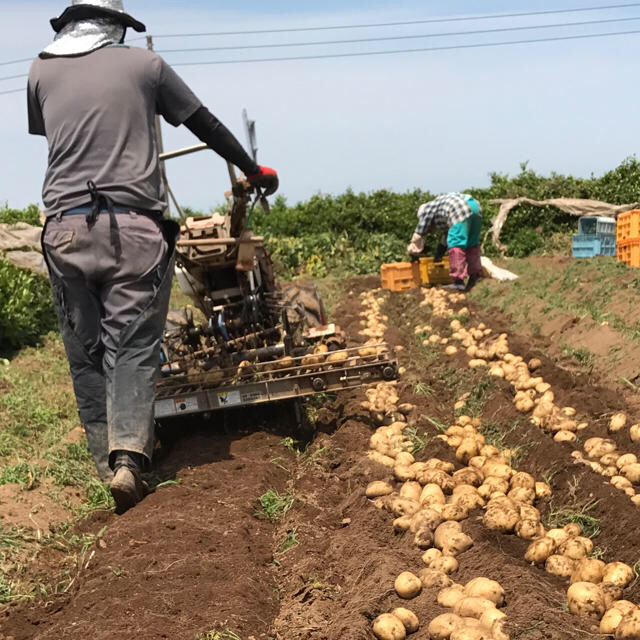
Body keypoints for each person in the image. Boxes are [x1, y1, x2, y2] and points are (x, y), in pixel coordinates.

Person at [27, 0, 279, 513]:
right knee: (133, 347)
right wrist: (251, 170)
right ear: (118, 27)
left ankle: (107, 466)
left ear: (69, 26)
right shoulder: (144, 65)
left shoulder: (39, 69)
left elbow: (52, 133)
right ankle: (129, 463)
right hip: (133, 230)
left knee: (87, 352)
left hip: (64, 231)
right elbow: (203, 123)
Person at [407, 192, 482, 292]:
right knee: (471, 244)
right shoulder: (439, 208)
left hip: (459, 208)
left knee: (456, 244)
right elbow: (447, 234)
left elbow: (419, 234)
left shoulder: (426, 211)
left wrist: (413, 250)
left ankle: (458, 282)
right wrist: (440, 253)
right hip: (475, 207)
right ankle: (475, 276)